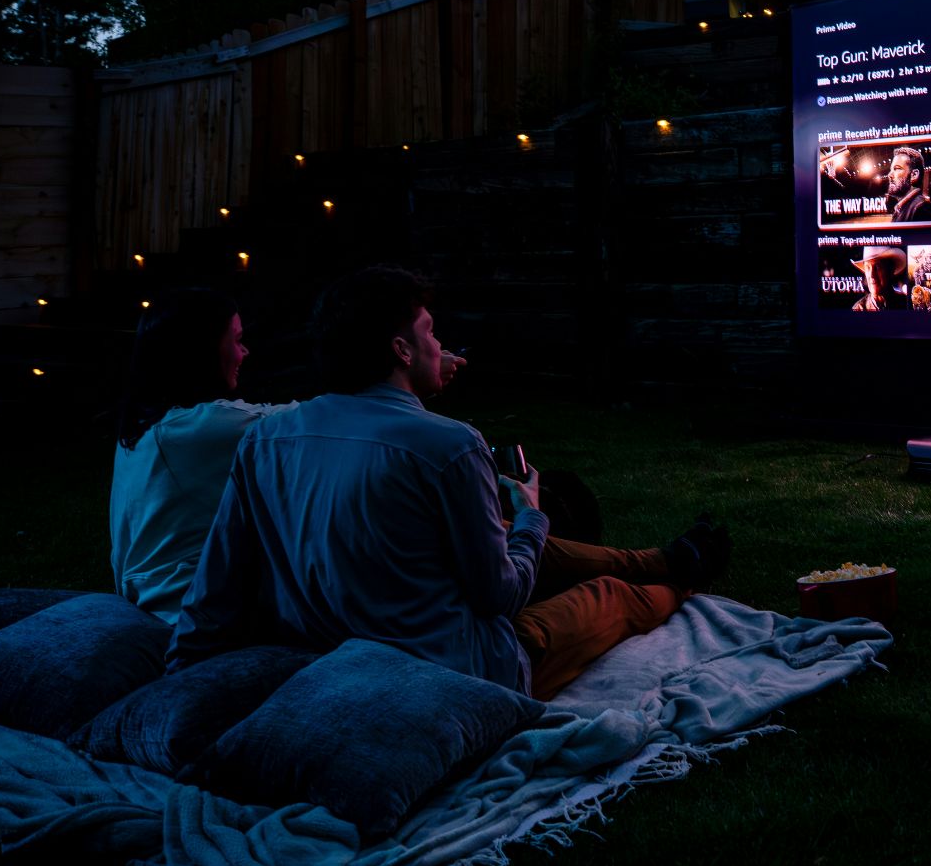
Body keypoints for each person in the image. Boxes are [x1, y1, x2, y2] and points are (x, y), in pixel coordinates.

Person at [167, 267, 730, 699]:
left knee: (523, 540)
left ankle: (662, 557)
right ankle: (683, 585)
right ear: (401, 349)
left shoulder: (266, 441)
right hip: (461, 669)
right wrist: (533, 515)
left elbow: (215, 587)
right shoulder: (450, 445)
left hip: (329, 654)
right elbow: (500, 596)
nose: (441, 345)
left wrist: (177, 676)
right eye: (431, 332)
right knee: (606, 597)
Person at [110, 291, 302, 624]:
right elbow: (314, 422)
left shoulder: (145, 426)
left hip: (146, 594)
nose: (244, 352)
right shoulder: (199, 429)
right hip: (184, 607)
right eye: (237, 340)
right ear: (202, 350)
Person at [851, 246, 912, 310]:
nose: (872, 275)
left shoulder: (906, 304)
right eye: (868, 267)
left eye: (878, 267)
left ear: (891, 269)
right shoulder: (858, 309)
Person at [884, 146, 931, 223]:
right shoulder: (902, 207)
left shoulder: (922, 209)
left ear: (914, 175)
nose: (889, 175)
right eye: (891, 170)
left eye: (897, 169)